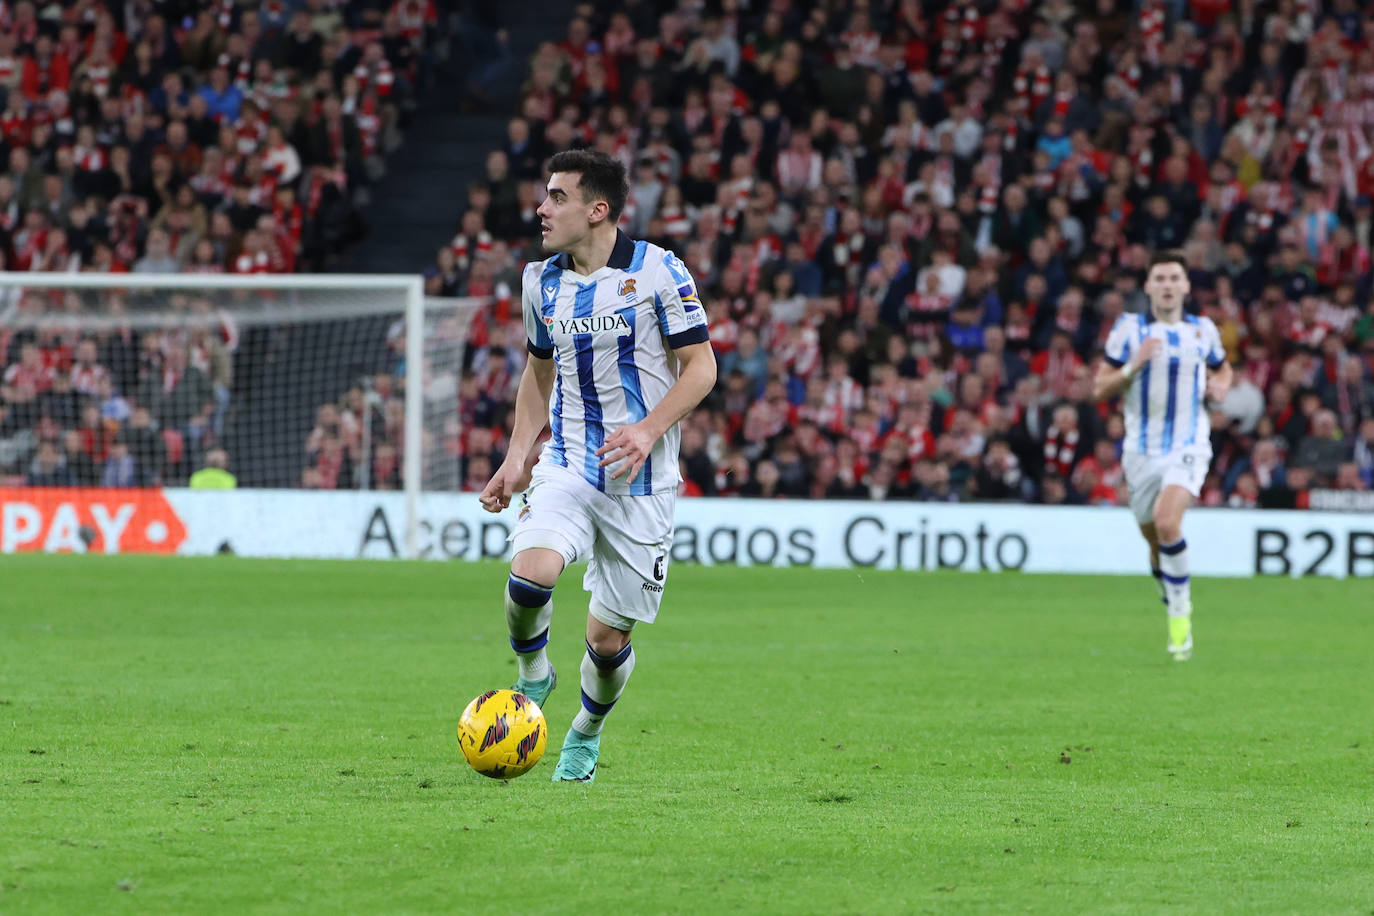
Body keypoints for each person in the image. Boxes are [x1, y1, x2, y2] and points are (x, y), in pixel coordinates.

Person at [479, 149, 717, 782]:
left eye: (557, 197)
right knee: (530, 575)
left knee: (608, 642)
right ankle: (534, 673)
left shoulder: (659, 272)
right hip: (568, 463)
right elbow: (538, 374)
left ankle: (585, 731)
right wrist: (516, 457)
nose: (542, 208)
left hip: (643, 483)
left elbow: (702, 368)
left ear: (597, 209)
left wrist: (647, 429)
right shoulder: (540, 282)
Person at [1093, 250, 1232, 661]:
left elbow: (1223, 369)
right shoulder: (1128, 330)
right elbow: (1099, 388)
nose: (1168, 285)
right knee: (1154, 540)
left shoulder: (1203, 330)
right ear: (1148, 286)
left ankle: (1180, 613)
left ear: (1186, 286)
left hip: (1189, 443)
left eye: (1174, 278)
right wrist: (1133, 366)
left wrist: (1221, 386)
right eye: (1160, 278)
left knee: (1169, 522)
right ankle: (1169, 591)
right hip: (1140, 450)